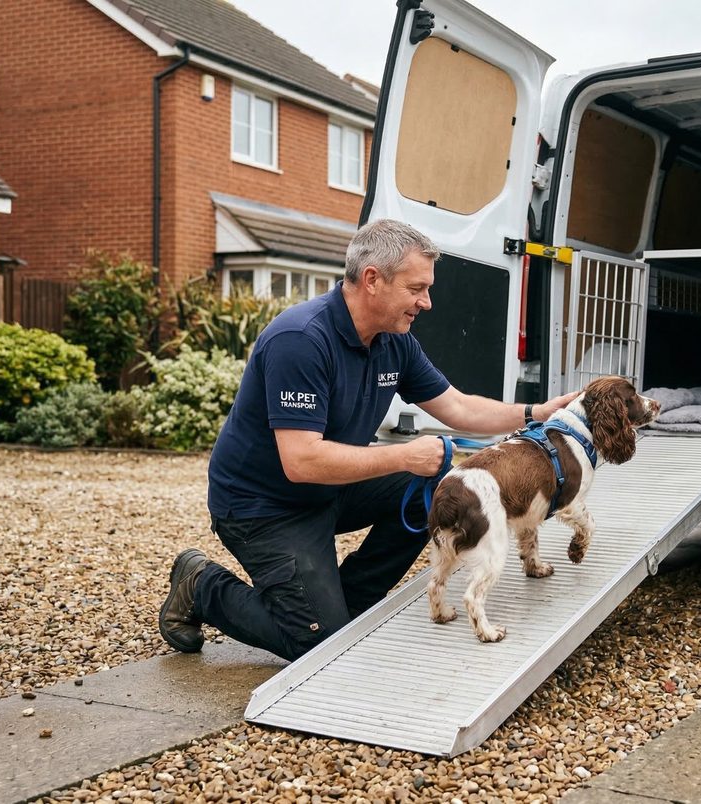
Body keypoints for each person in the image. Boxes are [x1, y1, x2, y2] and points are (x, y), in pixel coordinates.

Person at [158, 219, 577, 662]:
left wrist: (536, 413)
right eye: (417, 288)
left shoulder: (393, 341)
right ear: (373, 280)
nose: (427, 302)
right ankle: (201, 586)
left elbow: (458, 408)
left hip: (328, 490)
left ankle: (345, 606)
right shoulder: (300, 340)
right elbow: (300, 461)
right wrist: (402, 455)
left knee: (438, 488)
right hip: (264, 507)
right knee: (316, 644)